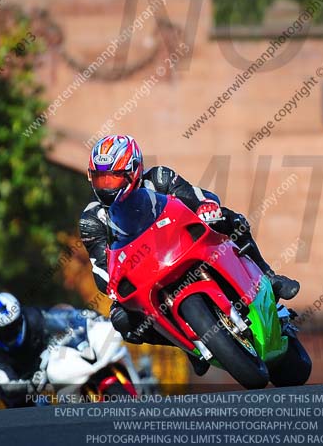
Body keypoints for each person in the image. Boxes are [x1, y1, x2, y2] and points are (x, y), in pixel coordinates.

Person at [78, 134, 300, 373]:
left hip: (182, 245)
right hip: (145, 273)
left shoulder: (160, 178)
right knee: (122, 320)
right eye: (100, 178)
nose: (106, 186)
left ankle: (269, 277)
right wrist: (110, 283)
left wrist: (206, 206)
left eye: (112, 178)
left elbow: (197, 196)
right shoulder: (91, 219)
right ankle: (186, 345)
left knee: (232, 220)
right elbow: (101, 265)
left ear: (134, 171)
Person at [0, 292, 100, 408]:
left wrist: (89, 316)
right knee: (39, 408)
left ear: (21, 318)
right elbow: (8, 386)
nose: (7, 335)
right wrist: (31, 384)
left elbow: (64, 317)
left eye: (11, 328)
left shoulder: (34, 317)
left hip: (44, 365)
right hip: (20, 393)